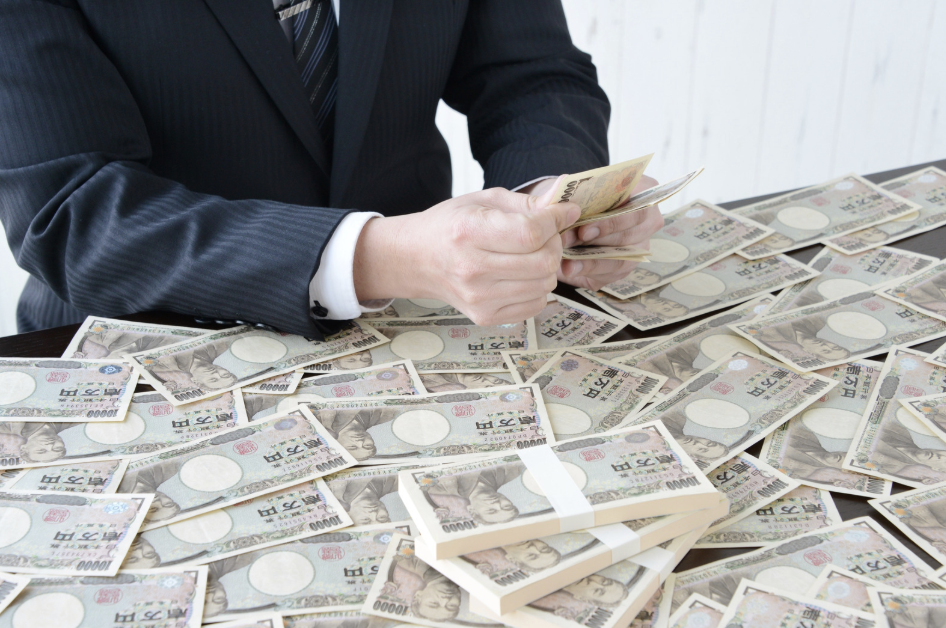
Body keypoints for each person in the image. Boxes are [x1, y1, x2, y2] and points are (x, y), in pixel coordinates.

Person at [0, 1, 663, 337]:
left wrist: (550, 202)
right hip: (138, 347)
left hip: (407, 330)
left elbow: (528, 71)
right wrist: (380, 255)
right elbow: (73, 211)